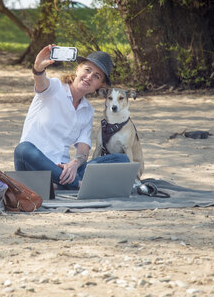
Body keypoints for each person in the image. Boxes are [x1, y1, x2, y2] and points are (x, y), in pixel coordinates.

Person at [13, 45, 130, 190]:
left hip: (64, 171)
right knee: (23, 149)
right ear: (78, 69)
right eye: (87, 70)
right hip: (33, 167)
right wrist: (38, 69)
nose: (89, 77)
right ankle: (77, 185)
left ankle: (57, 184)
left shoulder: (88, 111)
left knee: (121, 159)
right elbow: (41, 82)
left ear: (100, 85)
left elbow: (83, 150)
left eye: (96, 76)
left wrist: (74, 164)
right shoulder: (55, 87)